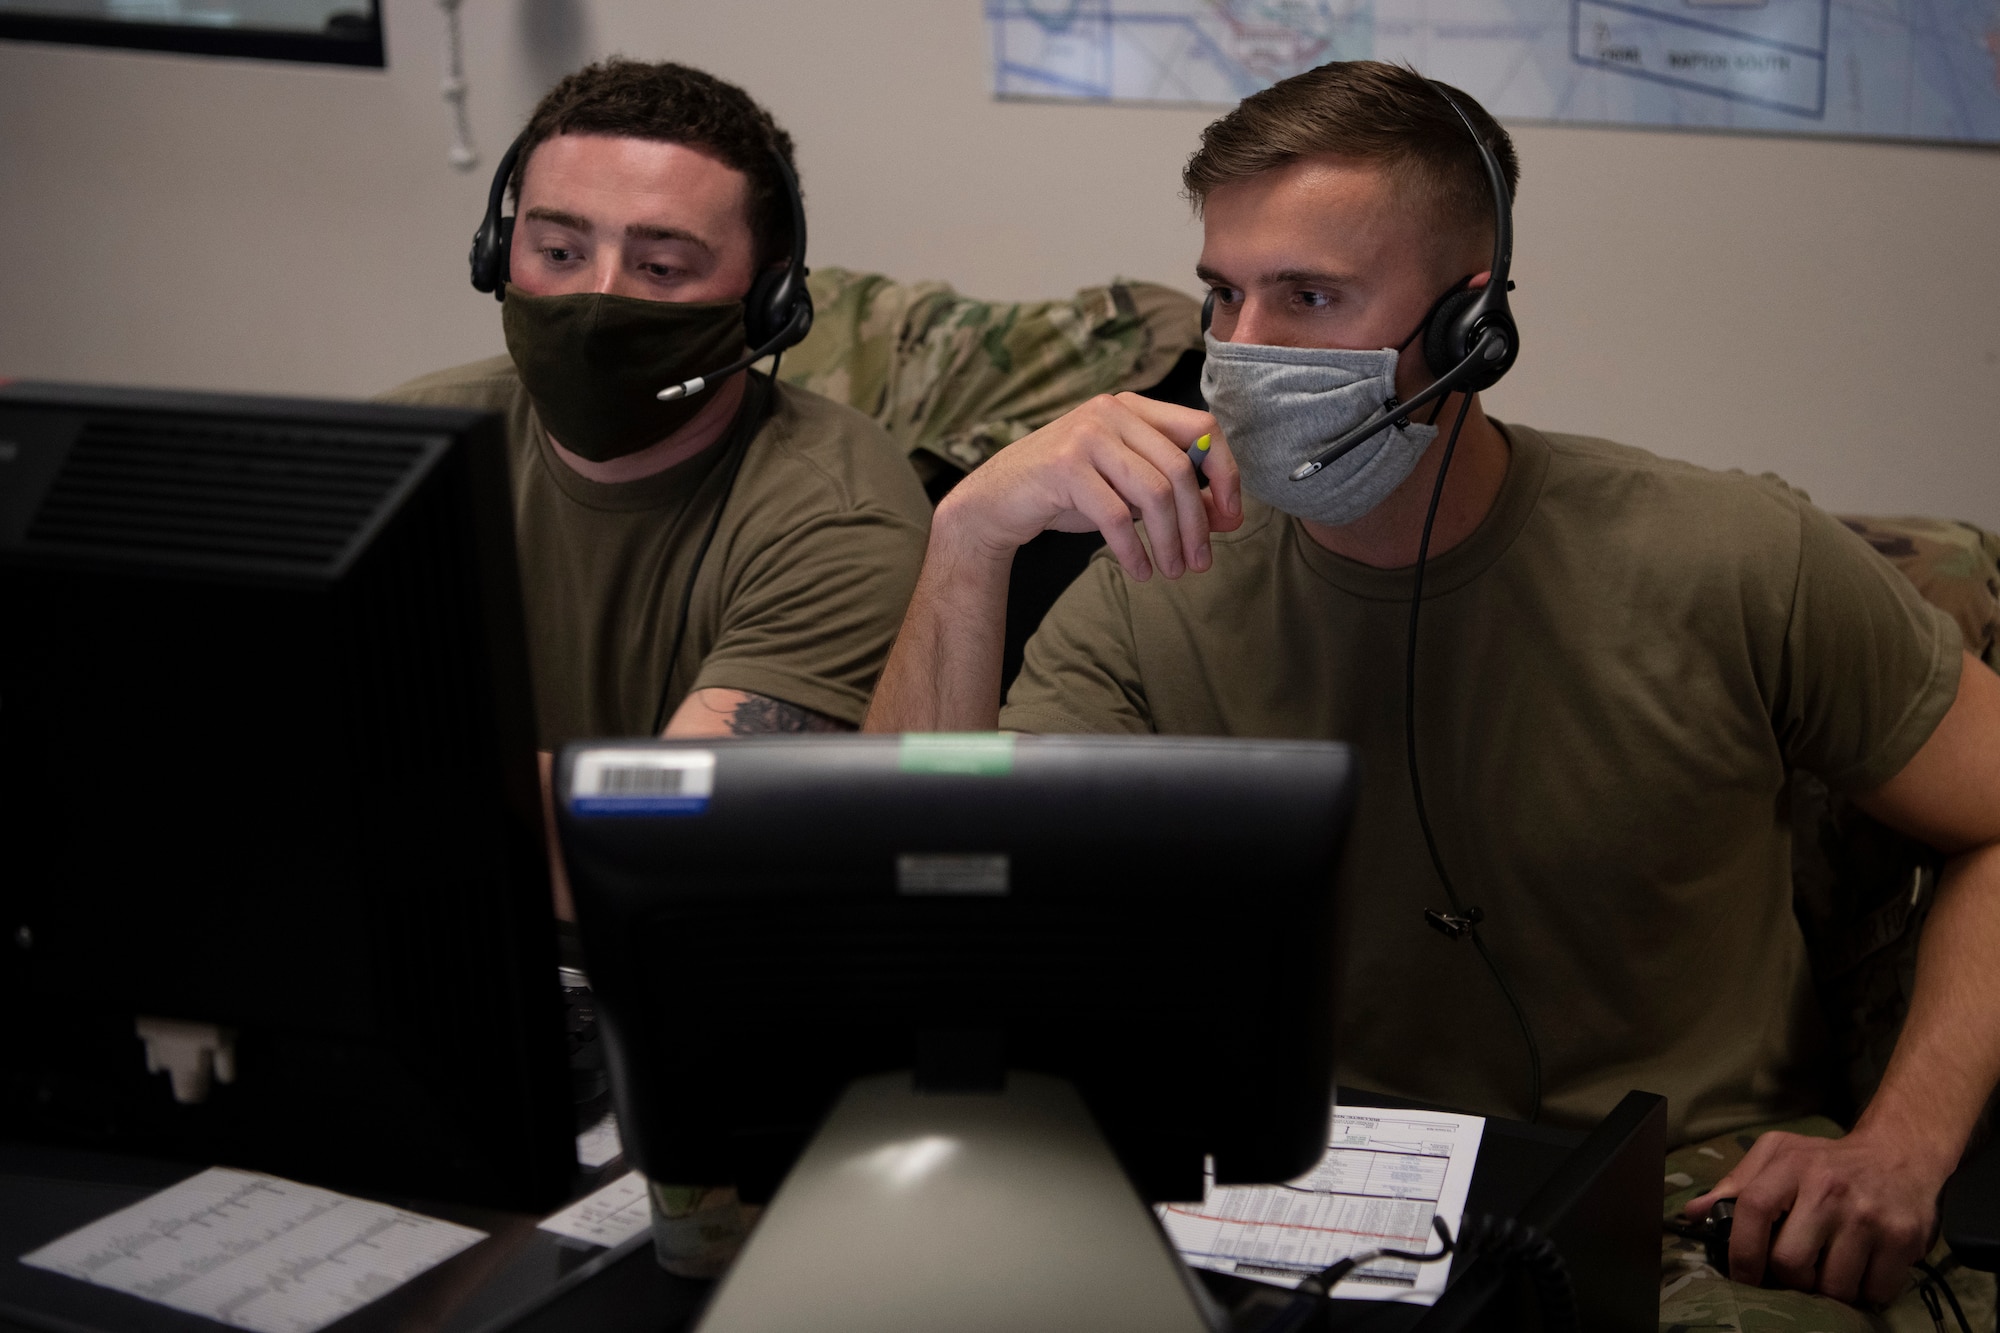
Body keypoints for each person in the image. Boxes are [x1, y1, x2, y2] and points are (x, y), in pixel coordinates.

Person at [864, 61, 2000, 1325]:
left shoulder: (1730, 553)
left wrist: (1901, 1143)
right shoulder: (1156, 580)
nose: (1237, 355)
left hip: (1685, 1216)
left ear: (1472, 329)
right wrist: (966, 542)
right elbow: (919, 913)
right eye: (1220, 294)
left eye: (1307, 296)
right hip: (1297, 1195)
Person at [384, 58, 932, 909]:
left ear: (768, 301)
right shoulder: (408, 449)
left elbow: (666, 837)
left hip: (679, 982)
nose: (597, 300)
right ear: (497, 253)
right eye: (558, 251)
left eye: (662, 268)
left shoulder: (838, 514)